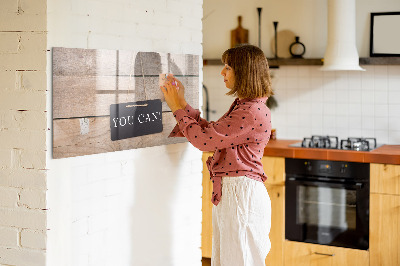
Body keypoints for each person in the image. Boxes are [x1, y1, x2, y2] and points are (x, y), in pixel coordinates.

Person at [160, 44, 273, 266]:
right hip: (236, 193)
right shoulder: (246, 106)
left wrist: (176, 108)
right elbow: (213, 134)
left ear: (244, 71)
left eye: (228, 67)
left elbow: (204, 141)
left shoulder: (250, 111)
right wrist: (182, 103)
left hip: (241, 195)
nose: (222, 72)